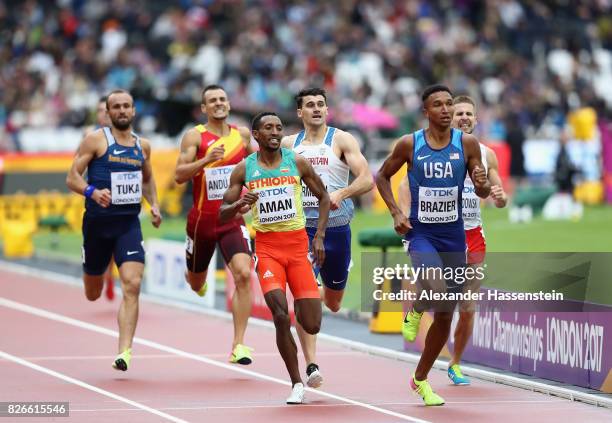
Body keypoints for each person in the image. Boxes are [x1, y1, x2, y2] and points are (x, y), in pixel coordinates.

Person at [376, 85, 490, 406]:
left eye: (449, 104)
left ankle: (420, 378)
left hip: (453, 236)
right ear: (426, 111)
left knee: (444, 315)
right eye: (437, 105)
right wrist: (397, 212)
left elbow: (480, 190)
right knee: (436, 283)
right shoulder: (409, 144)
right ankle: (415, 310)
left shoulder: (466, 144)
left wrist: (481, 183)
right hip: (421, 233)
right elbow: (381, 177)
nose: (445, 109)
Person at [220, 112, 330, 404]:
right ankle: (296, 382)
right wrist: (240, 204)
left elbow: (324, 197)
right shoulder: (245, 169)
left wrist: (318, 236)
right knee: (281, 316)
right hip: (268, 251)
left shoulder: (297, 162)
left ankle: (306, 365)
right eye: (268, 127)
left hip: (297, 249)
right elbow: (223, 211)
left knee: (312, 323)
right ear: (255, 134)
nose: (275, 132)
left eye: (279, 128)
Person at [281, 87, 373, 388]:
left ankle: (316, 294)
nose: (317, 109)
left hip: (337, 230)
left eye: (321, 104)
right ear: (300, 112)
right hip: (301, 231)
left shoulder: (342, 139)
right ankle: (311, 365)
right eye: (310, 105)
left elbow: (366, 179)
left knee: (333, 303)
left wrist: (341, 193)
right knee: (304, 297)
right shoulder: (287, 144)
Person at [66, 89, 162, 371]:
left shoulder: (142, 145)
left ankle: (124, 352)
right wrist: (92, 192)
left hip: (128, 224)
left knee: (132, 284)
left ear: (133, 111)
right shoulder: (95, 140)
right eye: (116, 107)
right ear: (108, 113)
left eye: (126, 106)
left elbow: (147, 178)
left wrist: (154, 204)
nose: (122, 111)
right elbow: (71, 177)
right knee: (92, 292)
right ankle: (97, 272)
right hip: (97, 225)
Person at [174, 85, 255, 365]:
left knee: (244, 274)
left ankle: (239, 345)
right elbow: (178, 175)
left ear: (229, 104)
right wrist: (206, 160)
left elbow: (258, 166)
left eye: (222, 99)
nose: (218, 103)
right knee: (197, 281)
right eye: (212, 101)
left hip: (232, 219)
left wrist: (254, 193)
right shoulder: (195, 136)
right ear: (204, 108)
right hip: (202, 223)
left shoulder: (242, 135)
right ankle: (194, 279)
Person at [84, 96, 115, 301]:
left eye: (105, 110)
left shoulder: (125, 135)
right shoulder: (90, 135)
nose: (102, 114)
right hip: (96, 197)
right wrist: (88, 189)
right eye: (99, 111)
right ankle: (97, 272)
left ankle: (110, 276)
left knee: (115, 240)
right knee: (99, 241)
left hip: (119, 198)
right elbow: (77, 167)